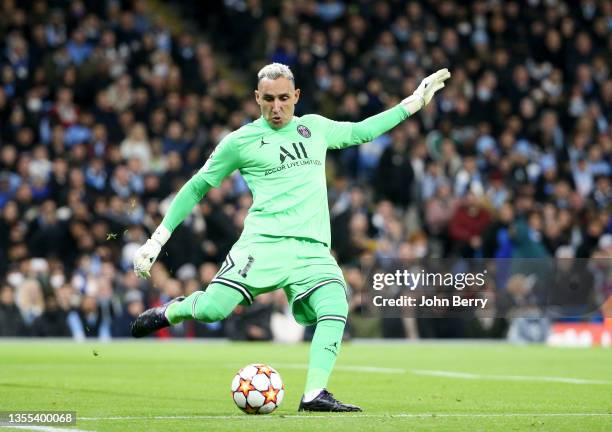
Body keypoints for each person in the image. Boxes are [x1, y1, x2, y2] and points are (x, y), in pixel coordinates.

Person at [131, 63, 450, 411]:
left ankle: (314, 394)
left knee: (335, 303)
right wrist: (157, 240)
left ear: (296, 96)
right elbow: (196, 187)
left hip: (312, 249)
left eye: (284, 98)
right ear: (257, 98)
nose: (277, 107)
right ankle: (173, 311)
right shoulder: (240, 142)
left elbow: (362, 131)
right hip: (263, 244)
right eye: (269, 99)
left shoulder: (315, 128)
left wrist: (414, 103)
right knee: (213, 309)